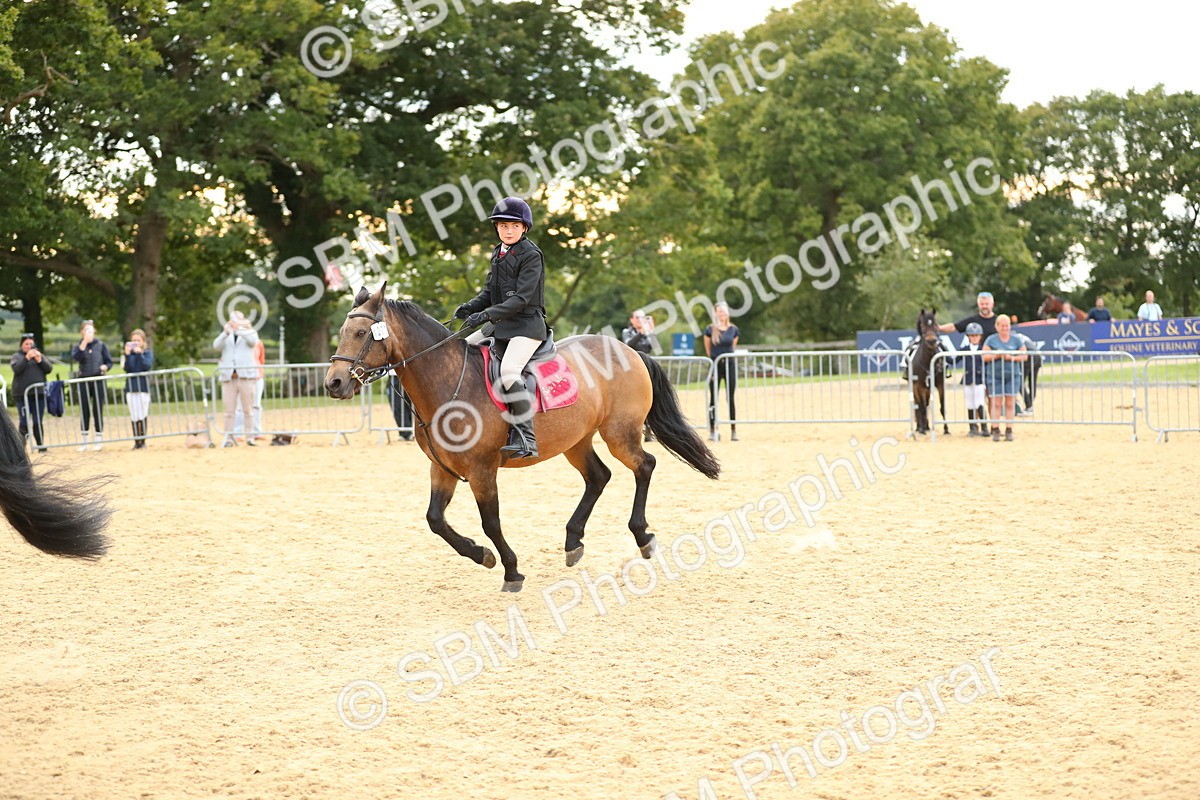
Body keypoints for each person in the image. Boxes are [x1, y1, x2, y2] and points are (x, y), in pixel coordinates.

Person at [454, 196, 547, 459]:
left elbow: (520, 299)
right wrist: (470, 307)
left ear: (524, 228)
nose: (508, 230)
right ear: (497, 227)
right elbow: (488, 292)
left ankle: (526, 438)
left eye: (514, 226)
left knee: (508, 371)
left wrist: (485, 315)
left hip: (527, 326)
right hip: (501, 325)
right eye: (503, 225)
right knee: (459, 352)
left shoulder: (531, 255)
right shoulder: (498, 252)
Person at [213, 311, 260, 448]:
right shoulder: (227, 335)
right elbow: (216, 346)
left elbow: (253, 343)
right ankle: (228, 437)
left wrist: (239, 329)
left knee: (248, 409)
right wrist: (225, 333)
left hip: (246, 376)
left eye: (236, 319)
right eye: (232, 319)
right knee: (229, 410)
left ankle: (250, 437)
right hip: (229, 377)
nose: (233, 322)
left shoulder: (250, 332)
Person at [982, 314, 1027, 442]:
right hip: (995, 376)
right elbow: (984, 356)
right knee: (996, 403)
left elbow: (1025, 356)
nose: (1005, 328)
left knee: (1010, 402)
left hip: (1012, 375)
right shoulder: (991, 340)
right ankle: (995, 429)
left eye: (1007, 325)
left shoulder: (1016, 339)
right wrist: (996, 355)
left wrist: (1011, 358)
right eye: (1002, 326)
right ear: (997, 327)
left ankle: (1009, 429)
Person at [71, 319, 113, 451]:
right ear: (82, 332)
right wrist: (83, 343)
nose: (88, 332)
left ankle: (98, 438)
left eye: (90, 329)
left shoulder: (101, 345)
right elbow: (76, 357)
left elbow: (109, 361)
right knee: (84, 409)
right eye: (86, 330)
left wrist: (106, 366)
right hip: (84, 380)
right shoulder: (79, 346)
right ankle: (84, 439)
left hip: (98, 379)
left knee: (97, 408)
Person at [704, 302, 740, 442]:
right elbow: (708, 349)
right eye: (719, 311)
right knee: (713, 397)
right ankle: (713, 429)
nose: (721, 314)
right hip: (715, 365)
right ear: (716, 313)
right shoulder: (710, 330)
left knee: (730, 397)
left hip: (729, 364)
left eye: (723, 311)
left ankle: (733, 429)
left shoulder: (733, 329)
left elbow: (732, 346)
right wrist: (714, 359)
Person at [11, 333, 52, 452]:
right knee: (24, 421)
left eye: (31, 344)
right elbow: (17, 369)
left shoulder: (39, 355)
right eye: (26, 344)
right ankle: (21, 447)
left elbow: (48, 369)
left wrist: (40, 360)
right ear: (21, 345)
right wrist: (27, 358)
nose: (29, 346)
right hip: (22, 395)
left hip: (38, 394)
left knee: (37, 420)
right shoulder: (17, 357)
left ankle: (40, 444)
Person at [622, 309, 658, 442]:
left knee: (649, 400)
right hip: (631, 369)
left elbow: (656, 347)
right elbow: (629, 344)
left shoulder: (648, 333)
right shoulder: (627, 332)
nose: (640, 320)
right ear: (631, 320)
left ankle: (649, 431)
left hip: (647, 368)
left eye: (643, 317)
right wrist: (641, 333)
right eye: (637, 317)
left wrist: (651, 332)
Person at [122, 329, 153, 449]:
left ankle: (143, 440)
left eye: (138, 340)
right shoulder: (129, 354)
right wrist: (128, 354)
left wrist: (140, 353)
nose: (135, 343)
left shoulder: (147, 353)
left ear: (143, 341)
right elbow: (128, 368)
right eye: (133, 340)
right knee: (134, 415)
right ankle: (136, 441)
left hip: (143, 387)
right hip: (131, 387)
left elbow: (146, 366)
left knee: (142, 414)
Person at [233, 337, 266, 444]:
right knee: (240, 406)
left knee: (256, 405)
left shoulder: (258, 342)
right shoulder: (238, 344)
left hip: (257, 377)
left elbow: (261, 359)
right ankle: (237, 432)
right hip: (243, 377)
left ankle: (257, 431)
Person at [956, 323, 987, 437]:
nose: (974, 337)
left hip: (979, 379)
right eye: (971, 335)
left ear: (980, 336)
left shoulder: (983, 349)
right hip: (968, 378)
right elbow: (954, 360)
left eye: (976, 335)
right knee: (970, 403)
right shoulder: (964, 349)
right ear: (968, 337)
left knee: (979, 402)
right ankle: (973, 427)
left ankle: (984, 427)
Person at [1013, 328, 1042, 417]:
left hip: (1028, 356)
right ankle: (1030, 406)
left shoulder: (1013, 339)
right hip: (1037, 355)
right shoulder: (1021, 336)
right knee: (1032, 382)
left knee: (1020, 382)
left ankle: (1029, 405)